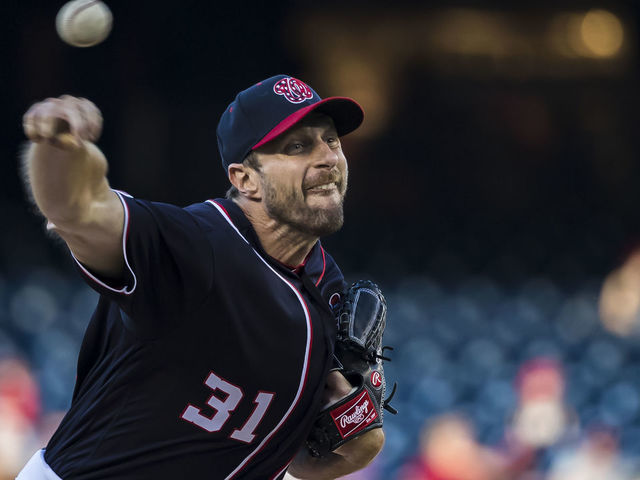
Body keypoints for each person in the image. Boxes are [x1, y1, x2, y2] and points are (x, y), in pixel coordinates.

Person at [18, 75, 385, 479]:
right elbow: (79, 211)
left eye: (331, 140)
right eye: (297, 147)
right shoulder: (194, 246)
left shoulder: (325, 285)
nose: (328, 157)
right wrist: (57, 152)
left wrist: (360, 426)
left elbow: (308, 461)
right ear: (245, 179)